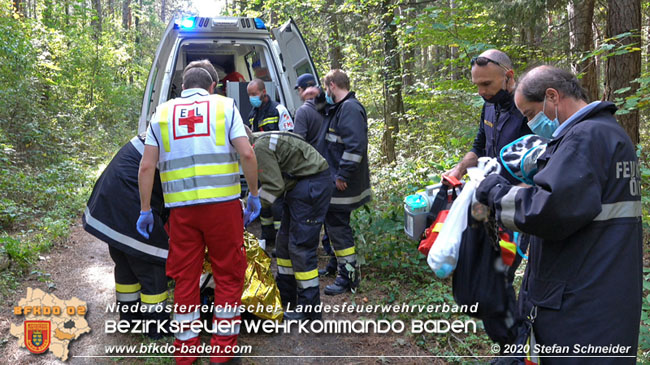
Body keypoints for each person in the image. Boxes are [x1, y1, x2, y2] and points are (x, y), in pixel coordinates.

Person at [476, 65, 642, 361]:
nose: (529, 124)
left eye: (529, 114)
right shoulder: (610, 134)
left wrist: (494, 192)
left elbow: (547, 212)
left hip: (580, 305)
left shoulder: (584, 139)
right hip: (603, 295)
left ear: (552, 97)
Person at [138, 60, 260, 364]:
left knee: (185, 278)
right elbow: (246, 152)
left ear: (181, 88)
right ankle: (222, 352)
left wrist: (144, 210)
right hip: (223, 208)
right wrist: (254, 195)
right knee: (229, 274)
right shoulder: (225, 106)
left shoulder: (161, 114)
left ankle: (186, 352)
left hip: (181, 212)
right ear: (212, 87)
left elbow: (146, 166)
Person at [82, 134, 170, 339]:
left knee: (125, 261)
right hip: (129, 201)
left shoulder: (160, 131)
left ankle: (130, 320)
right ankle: (157, 331)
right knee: (151, 263)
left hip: (110, 201)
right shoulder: (178, 138)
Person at [248, 129, 332, 321]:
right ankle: (286, 294)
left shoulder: (260, 147)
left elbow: (274, 186)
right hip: (301, 185)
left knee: (300, 248)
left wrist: (252, 206)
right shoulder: (260, 141)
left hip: (311, 186)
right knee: (284, 243)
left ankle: (310, 310)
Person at [318, 69, 371, 296]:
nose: (324, 93)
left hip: (343, 185)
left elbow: (355, 146)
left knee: (339, 228)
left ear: (332, 85)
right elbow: (324, 114)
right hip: (336, 181)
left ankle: (348, 277)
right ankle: (336, 265)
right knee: (333, 226)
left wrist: (342, 175)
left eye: (325, 88)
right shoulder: (340, 107)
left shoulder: (349, 108)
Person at [443, 49, 531, 184]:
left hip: (521, 197)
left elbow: (546, 165)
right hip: (492, 190)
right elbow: (479, 147)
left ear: (509, 76)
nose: (481, 92)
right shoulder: (490, 104)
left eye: (486, 84)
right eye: (477, 85)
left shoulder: (529, 108)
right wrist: (459, 170)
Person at [292, 73, 337, 276]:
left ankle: (317, 260)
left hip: (313, 174)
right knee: (333, 221)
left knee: (313, 220)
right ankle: (335, 262)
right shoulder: (328, 108)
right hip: (333, 170)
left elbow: (298, 145)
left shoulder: (303, 112)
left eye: (299, 89)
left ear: (304, 90)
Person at [246, 78, 294, 250]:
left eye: (254, 94)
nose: (252, 97)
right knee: (262, 199)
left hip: (277, 164)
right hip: (260, 164)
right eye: (249, 95)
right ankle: (267, 236)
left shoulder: (278, 110)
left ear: (263, 91)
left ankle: (282, 239)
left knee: (277, 202)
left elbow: (289, 137)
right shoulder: (253, 114)